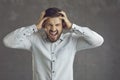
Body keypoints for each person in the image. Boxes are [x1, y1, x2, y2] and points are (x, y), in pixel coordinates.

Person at [3, 7, 104, 80]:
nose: (53, 29)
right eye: (49, 25)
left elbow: (98, 41)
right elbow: (7, 41)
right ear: (43, 25)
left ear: (63, 25)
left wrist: (72, 26)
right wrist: (35, 27)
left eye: (57, 25)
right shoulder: (34, 40)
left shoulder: (72, 41)